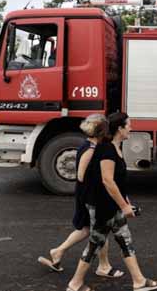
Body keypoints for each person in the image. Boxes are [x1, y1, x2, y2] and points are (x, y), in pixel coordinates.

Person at [66, 112, 157, 291]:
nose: (131, 128)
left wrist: (126, 201)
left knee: (125, 240)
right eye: (129, 125)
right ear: (120, 128)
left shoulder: (116, 147)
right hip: (103, 206)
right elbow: (107, 180)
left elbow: (117, 181)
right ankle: (75, 284)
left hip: (112, 205)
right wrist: (125, 206)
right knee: (95, 244)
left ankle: (139, 281)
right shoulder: (107, 149)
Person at [37, 114, 124, 279]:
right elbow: (81, 176)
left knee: (86, 229)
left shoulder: (92, 145)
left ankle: (58, 251)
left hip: (89, 195)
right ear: (101, 131)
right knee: (99, 229)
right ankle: (103, 266)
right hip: (88, 196)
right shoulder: (90, 150)